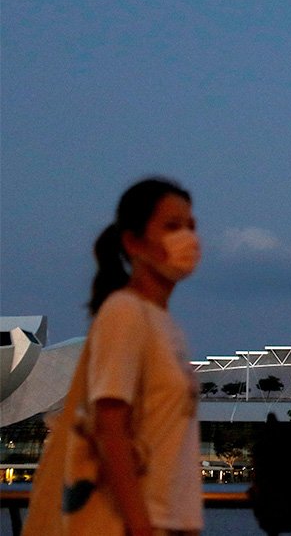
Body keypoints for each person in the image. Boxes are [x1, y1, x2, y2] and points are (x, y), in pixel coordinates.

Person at [86, 177, 204, 536]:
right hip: (141, 525)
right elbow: (110, 427)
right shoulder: (125, 312)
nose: (187, 238)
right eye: (172, 226)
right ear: (133, 242)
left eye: (190, 227)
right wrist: (141, 526)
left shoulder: (166, 325)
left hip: (173, 522)